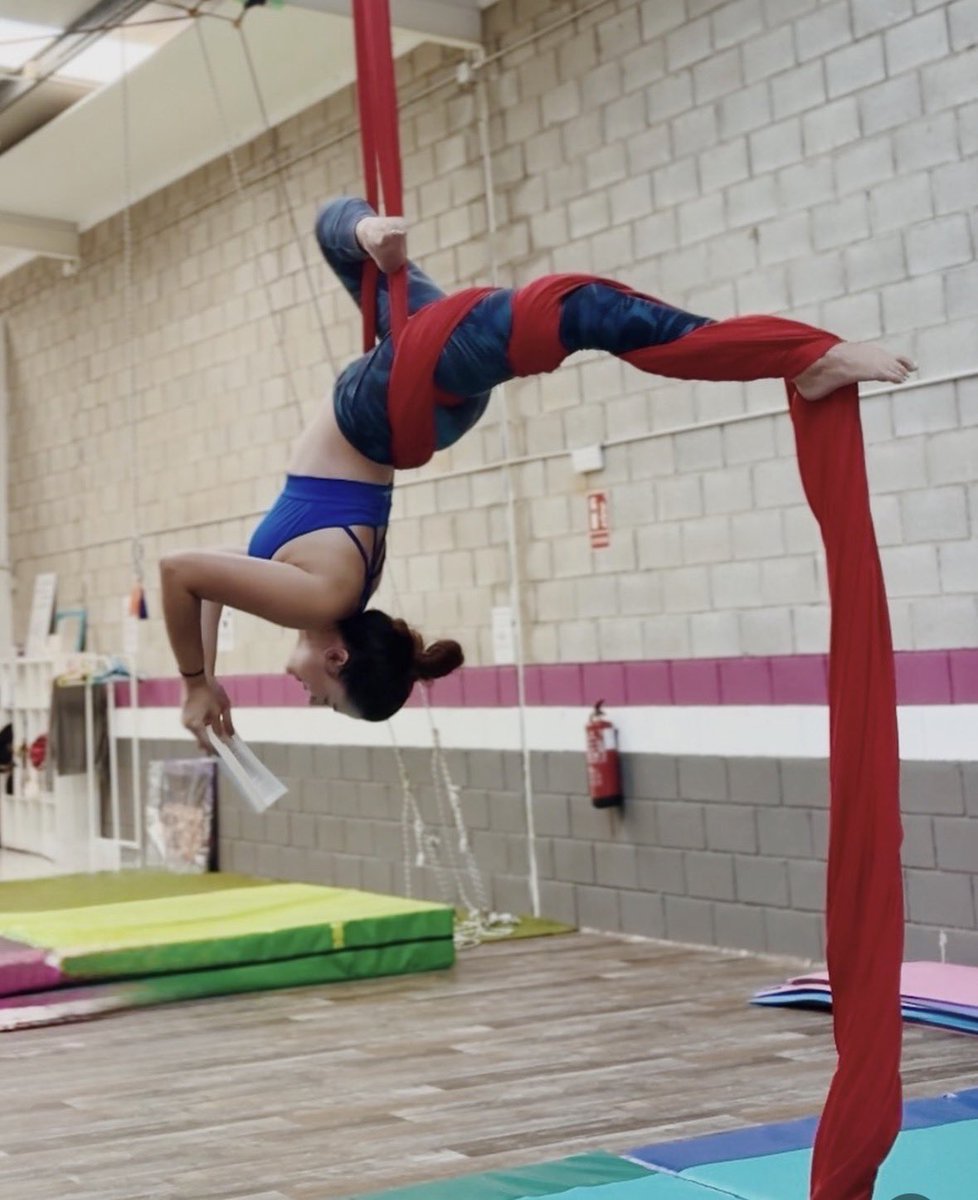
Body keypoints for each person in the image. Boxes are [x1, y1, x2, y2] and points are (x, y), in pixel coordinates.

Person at [161, 197, 916, 749]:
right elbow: (180, 570)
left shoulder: (308, 599)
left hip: (422, 397)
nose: (305, 698)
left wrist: (206, 679)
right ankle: (806, 357)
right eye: (326, 701)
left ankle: (371, 239)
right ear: (338, 659)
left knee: (341, 239)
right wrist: (197, 681)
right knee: (582, 311)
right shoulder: (318, 597)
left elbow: (206, 580)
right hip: (398, 396)